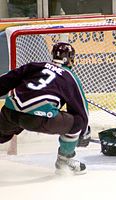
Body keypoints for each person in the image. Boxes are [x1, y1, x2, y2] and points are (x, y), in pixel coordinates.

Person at [0, 42, 90, 175]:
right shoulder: (70, 77)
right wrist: (83, 132)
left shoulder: (35, 66)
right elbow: (81, 113)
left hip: (10, 111)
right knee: (78, 122)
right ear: (71, 59)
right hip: (39, 119)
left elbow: (6, 80)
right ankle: (64, 161)